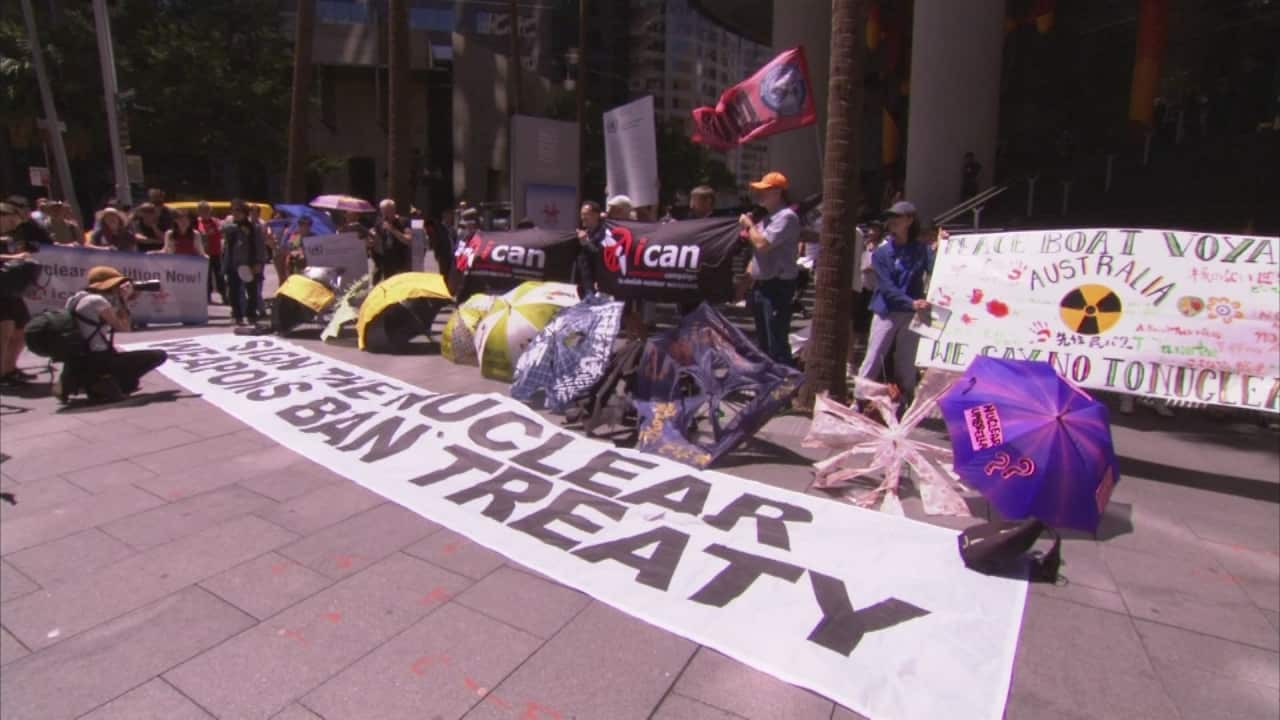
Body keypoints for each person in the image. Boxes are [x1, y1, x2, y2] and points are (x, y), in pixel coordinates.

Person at [55, 266, 168, 403]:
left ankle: (96, 383)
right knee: (159, 355)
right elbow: (124, 328)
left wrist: (126, 298)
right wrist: (124, 300)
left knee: (131, 384)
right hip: (98, 358)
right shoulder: (98, 301)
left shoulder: (76, 298)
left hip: (80, 357)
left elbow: (97, 316)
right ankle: (100, 384)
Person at [857, 201, 932, 405]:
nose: (891, 222)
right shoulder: (881, 253)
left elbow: (938, 269)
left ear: (909, 220)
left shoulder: (922, 250)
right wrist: (912, 302)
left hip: (912, 314)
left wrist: (945, 244)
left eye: (897, 217)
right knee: (873, 357)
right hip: (886, 312)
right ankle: (858, 401)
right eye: (890, 217)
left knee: (907, 361)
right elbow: (887, 287)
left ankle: (905, 401)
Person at [739, 172, 801, 366]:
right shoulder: (766, 219)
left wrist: (749, 226)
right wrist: (746, 279)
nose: (759, 195)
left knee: (777, 341)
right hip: (762, 285)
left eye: (763, 190)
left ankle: (784, 388)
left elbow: (763, 244)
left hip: (777, 287)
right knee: (764, 341)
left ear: (777, 192)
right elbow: (757, 254)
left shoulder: (786, 217)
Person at [0, 203, 36, 386]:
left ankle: (9, 369)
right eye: (13, 217)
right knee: (5, 329)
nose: (16, 222)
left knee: (21, 329)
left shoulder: (12, 237)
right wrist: (15, 258)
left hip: (10, 289)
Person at [221, 200, 268, 325]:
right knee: (233, 291)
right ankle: (237, 315)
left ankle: (251, 314)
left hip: (249, 263)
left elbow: (260, 246)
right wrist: (237, 227)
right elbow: (223, 228)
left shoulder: (254, 228)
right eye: (233, 210)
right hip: (233, 263)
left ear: (244, 213)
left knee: (252, 291)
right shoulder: (231, 227)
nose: (235, 213)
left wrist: (259, 262)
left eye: (238, 211)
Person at [848, 220, 883, 373]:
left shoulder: (882, 246)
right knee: (856, 324)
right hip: (863, 286)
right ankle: (853, 356)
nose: (871, 232)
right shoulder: (865, 245)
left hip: (876, 289)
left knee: (870, 325)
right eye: (870, 229)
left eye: (875, 229)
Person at [372, 199, 411, 282]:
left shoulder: (404, 221)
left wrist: (392, 229)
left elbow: (408, 240)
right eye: (383, 211)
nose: (385, 214)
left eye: (387, 211)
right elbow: (376, 242)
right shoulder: (379, 222)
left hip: (401, 261)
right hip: (386, 262)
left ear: (394, 210)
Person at [196, 201, 226, 304]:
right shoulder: (197, 223)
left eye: (207, 210)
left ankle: (225, 297)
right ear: (199, 211)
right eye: (203, 210)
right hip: (203, 254)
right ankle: (207, 298)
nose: (205, 212)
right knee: (206, 277)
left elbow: (222, 233)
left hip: (216, 253)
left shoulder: (216, 221)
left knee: (220, 275)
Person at [574, 201, 605, 298]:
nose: (583, 217)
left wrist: (586, 243)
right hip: (582, 284)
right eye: (581, 214)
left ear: (596, 215)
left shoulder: (604, 233)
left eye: (586, 214)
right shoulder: (582, 233)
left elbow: (602, 255)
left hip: (595, 285)